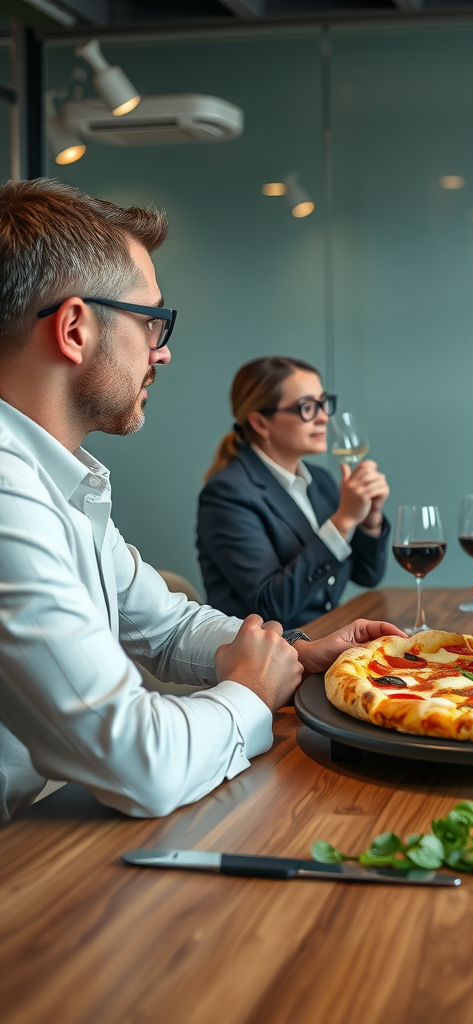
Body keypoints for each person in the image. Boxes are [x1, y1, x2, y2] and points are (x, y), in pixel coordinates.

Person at [0, 179, 403, 824]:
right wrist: (250, 693)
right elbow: (140, 765)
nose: (162, 351)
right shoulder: (8, 495)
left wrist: (295, 654)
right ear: (74, 329)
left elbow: (166, 626)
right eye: (151, 321)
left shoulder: (61, 480)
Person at [197, 358, 390, 630]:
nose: (324, 417)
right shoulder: (226, 494)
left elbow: (367, 575)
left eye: (323, 403)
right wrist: (343, 521)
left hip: (326, 636)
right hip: (268, 651)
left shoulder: (320, 480)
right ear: (260, 423)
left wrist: (370, 520)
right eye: (307, 407)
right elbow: (271, 605)